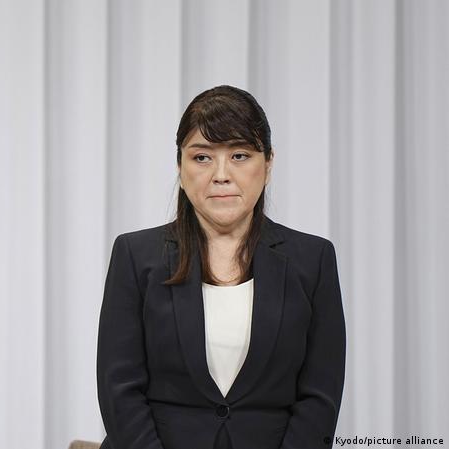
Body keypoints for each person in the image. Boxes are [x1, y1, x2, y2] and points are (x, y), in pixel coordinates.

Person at [96, 85, 345, 449]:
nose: (221, 174)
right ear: (180, 167)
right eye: (202, 157)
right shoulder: (135, 255)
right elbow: (119, 391)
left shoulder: (314, 260)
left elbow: (320, 398)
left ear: (269, 164)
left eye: (240, 155)